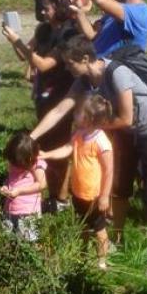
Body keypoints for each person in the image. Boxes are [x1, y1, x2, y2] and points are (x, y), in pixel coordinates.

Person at [31, 35, 147, 278]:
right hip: (123, 131)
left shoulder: (117, 73)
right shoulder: (83, 80)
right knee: (120, 187)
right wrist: (32, 137)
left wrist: (90, 129)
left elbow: (126, 117)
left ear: (85, 59)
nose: (67, 68)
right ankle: (116, 238)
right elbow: (60, 109)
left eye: (69, 63)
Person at [3, 0, 79, 208]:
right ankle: (50, 192)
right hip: (43, 95)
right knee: (45, 146)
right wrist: (14, 40)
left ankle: (61, 199)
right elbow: (23, 55)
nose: (42, 12)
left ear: (59, 8)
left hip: (63, 95)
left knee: (60, 148)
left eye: (46, 8)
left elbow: (43, 64)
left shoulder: (69, 33)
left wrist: (18, 42)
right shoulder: (43, 30)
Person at [40, 95, 114, 269]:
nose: (75, 115)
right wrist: (47, 154)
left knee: (99, 229)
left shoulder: (101, 142)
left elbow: (109, 171)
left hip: (94, 195)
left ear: (89, 119)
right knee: (83, 225)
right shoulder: (79, 134)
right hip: (79, 191)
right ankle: (82, 253)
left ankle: (101, 261)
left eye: (79, 113)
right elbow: (67, 149)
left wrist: (104, 196)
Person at [0, 131, 47, 242]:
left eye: (16, 162)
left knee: (27, 241)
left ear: (29, 158)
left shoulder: (36, 164)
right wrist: (5, 186)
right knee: (6, 239)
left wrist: (19, 191)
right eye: (12, 161)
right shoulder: (14, 162)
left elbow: (42, 184)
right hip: (10, 209)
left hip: (28, 212)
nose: (13, 165)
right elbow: (12, 179)